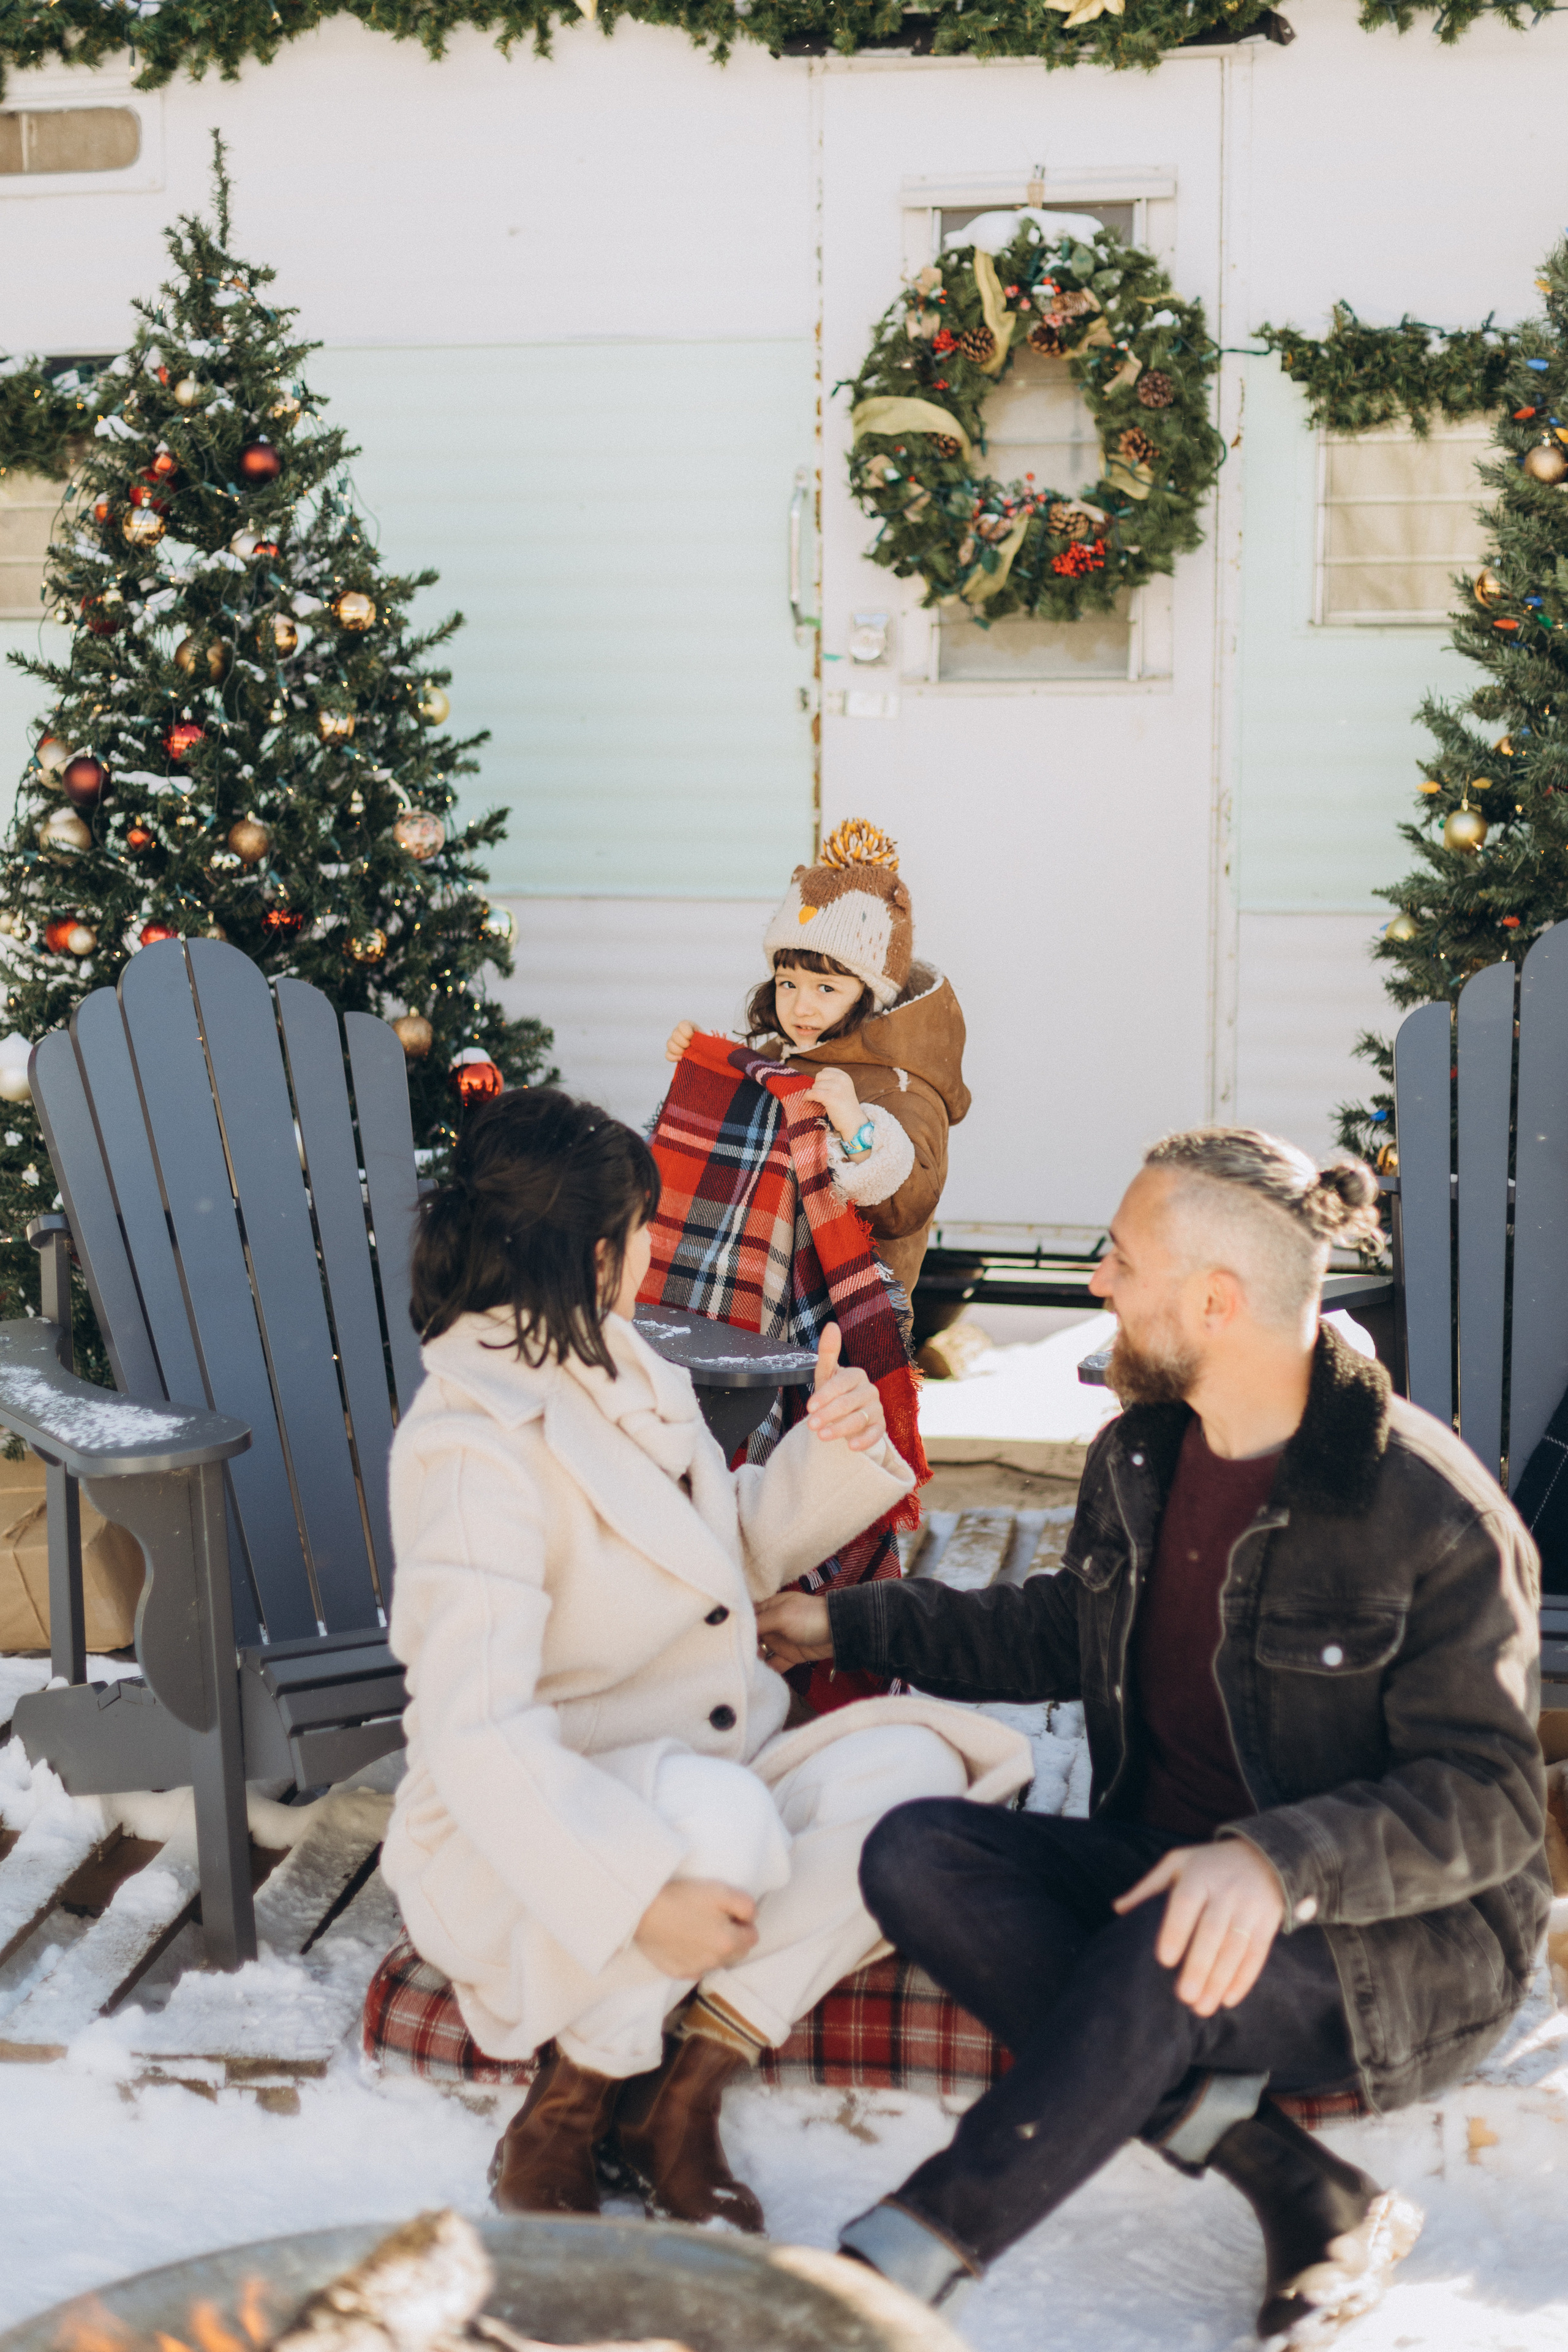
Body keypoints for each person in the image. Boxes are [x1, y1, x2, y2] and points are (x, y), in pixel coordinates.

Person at [757, 1126, 1550, 2340]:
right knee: (914, 1852)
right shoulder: (1142, 1453)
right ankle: (1297, 2187)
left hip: (1381, 1946)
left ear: (1214, 1301)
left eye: (1117, 1260)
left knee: (1153, 1950)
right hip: (1167, 1872)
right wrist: (840, 1623)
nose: (1093, 1285)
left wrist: (1275, 1862)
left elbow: (1488, 1801)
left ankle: (893, 2265)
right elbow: (1060, 1629)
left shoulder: (1423, 1508)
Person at [377, 1087, 1030, 2233]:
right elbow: (470, 1734)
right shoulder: (468, 1448)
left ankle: (677, 2097)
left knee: (924, 1782)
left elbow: (708, 1554)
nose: (655, 1251)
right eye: (645, 1231)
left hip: (706, 1758)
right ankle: (572, 2100)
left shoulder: (623, 1364)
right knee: (726, 1827)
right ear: (595, 1257)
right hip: (543, 1824)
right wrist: (632, 1896)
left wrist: (831, 1457)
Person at [663, 816, 969, 1312]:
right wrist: (705, 1068)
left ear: (870, 994)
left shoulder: (902, 1083)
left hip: (852, 1315)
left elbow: (908, 1205)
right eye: (788, 983)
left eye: (826, 988)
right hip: (766, 1298)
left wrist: (856, 1126)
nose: (801, 1007)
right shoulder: (782, 1059)